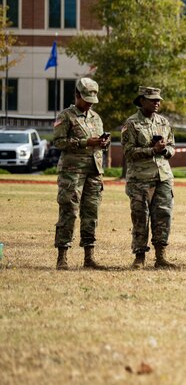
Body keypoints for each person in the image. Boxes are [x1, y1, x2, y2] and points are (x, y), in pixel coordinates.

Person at [52, 77, 109, 270]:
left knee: (91, 213)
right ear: (77, 95)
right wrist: (85, 142)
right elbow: (58, 143)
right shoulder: (66, 116)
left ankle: (89, 257)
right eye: (86, 100)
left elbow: (99, 145)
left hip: (94, 172)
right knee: (68, 212)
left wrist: (103, 143)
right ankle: (62, 257)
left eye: (92, 101)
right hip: (72, 173)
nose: (90, 104)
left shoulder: (96, 118)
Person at [121, 86, 177, 269]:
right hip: (140, 178)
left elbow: (172, 147)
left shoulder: (163, 122)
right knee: (140, 217)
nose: (157, 103)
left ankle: (161, 257)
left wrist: (165, 150)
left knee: (163, 215)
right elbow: (128, 152)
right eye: (153, 100)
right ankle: (139, 257)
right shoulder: (131, 123)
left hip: (163, 176)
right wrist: (152, 150)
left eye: (158, 100)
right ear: (142, 100)